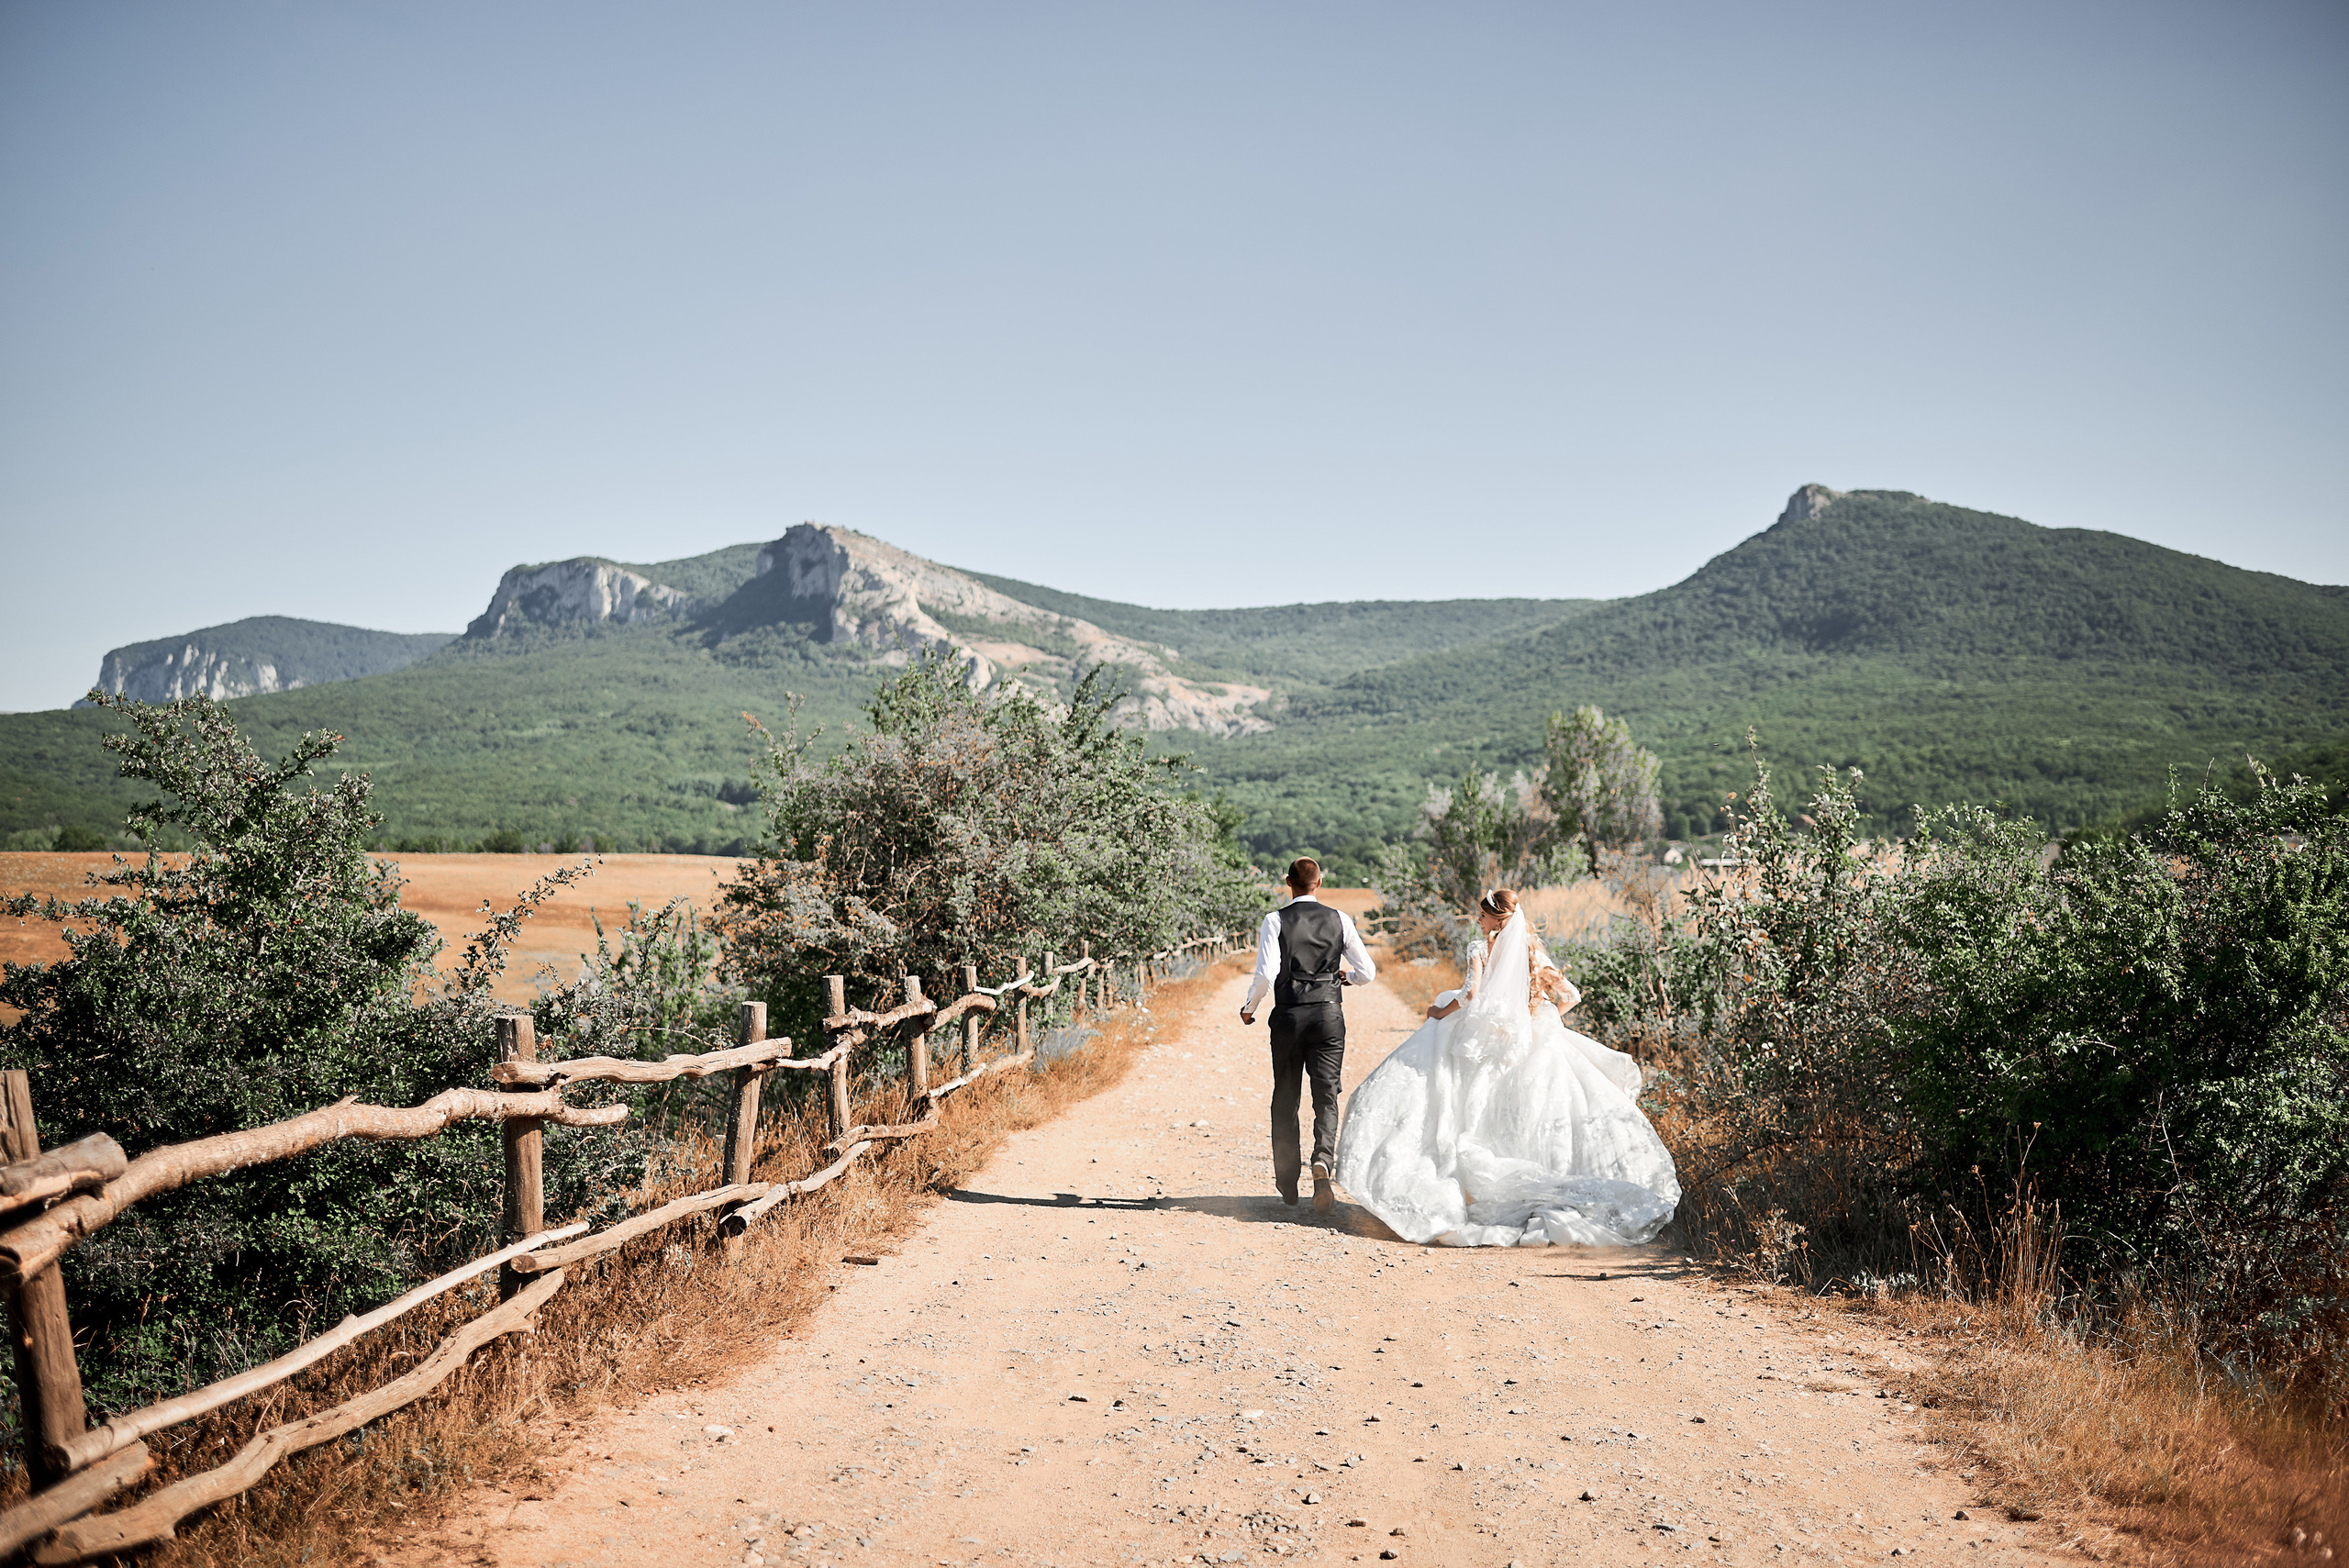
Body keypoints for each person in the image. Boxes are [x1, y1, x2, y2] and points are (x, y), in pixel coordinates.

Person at [1332, 888, 1679, 1247]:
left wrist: (1438, 1013)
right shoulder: (1535, 954)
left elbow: (1469, 996)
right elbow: (1571, 996)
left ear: (1497, 918)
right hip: (1526, 1044)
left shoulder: (1480, 949)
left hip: (1484, 1044)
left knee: (1469, 1111)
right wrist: (1540, 1023)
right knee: (1522, 1116)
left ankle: (1469, 1194)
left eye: (1482, 915)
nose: (1477, 920)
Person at [1240, 857, 1377, 1213]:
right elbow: (1368, 971)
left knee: (1285, 1096)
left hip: (1288, 1016)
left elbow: (1267, 974)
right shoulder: (1340, 919)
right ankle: (1322, 1165)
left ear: (1289, 882)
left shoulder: (1275, 920)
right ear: (1320, 882)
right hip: (1329, 1015)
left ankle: (1287, 1182)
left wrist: (1250, 1007)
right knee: (1327, 1095)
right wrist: (1346, 978)